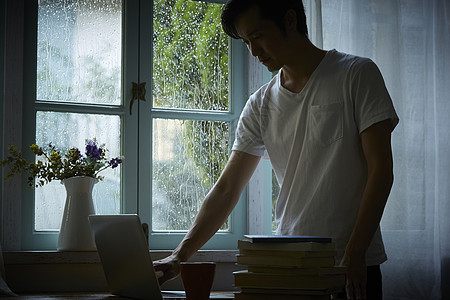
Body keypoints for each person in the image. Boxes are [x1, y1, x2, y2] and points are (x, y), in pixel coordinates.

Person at [154, 0, 399, 299]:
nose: (254, 52)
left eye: (257, 36)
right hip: (288, 265)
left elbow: (381, 170)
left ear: (290, 21)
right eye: (246, 42)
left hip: (352, 265)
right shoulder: (260, 104)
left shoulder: (356, 74)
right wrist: (179, 255)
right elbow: (227, 188)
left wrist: (356, 251)